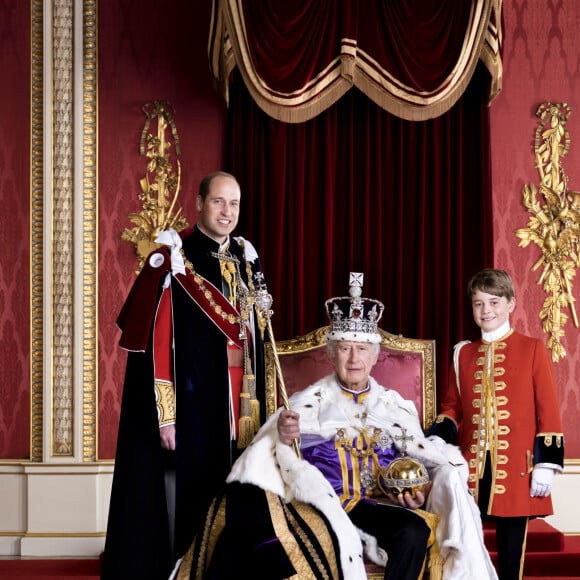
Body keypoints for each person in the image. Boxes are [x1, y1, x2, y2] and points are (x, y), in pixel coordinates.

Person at [172, 273, 498, 580]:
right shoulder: (308, 401)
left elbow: (419, 459)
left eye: (361, 350)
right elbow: (277, 453)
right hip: (324, 505)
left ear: (374, 357)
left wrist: (419, 491)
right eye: (344, 348)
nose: (353, 358)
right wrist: (284, 436)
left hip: (373, 506)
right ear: (332, 354)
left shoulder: (395, 406)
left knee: (414, 531)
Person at [101, 171, 270, 580]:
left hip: (243, 399)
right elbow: (159, 344)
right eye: (218, 202)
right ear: (198, 203)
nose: (227, 212)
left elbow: (258, 341)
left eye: (234, 204)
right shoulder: (175, 255)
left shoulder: (247, 258)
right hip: (195, 401)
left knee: (243, 495)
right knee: (199, 500)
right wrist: (167, 414)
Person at [427, 268, 565, 580]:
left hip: (517, 468)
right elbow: (452, 406)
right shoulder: (464, 353)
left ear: (511, 304)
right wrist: (439, 435)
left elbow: (548, 409)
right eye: (478, 304)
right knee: (466, 550)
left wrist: (547, 464)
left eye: (494, 302)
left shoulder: (532, 348)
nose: (486, 310)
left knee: (511, 552)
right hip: (472, 469)